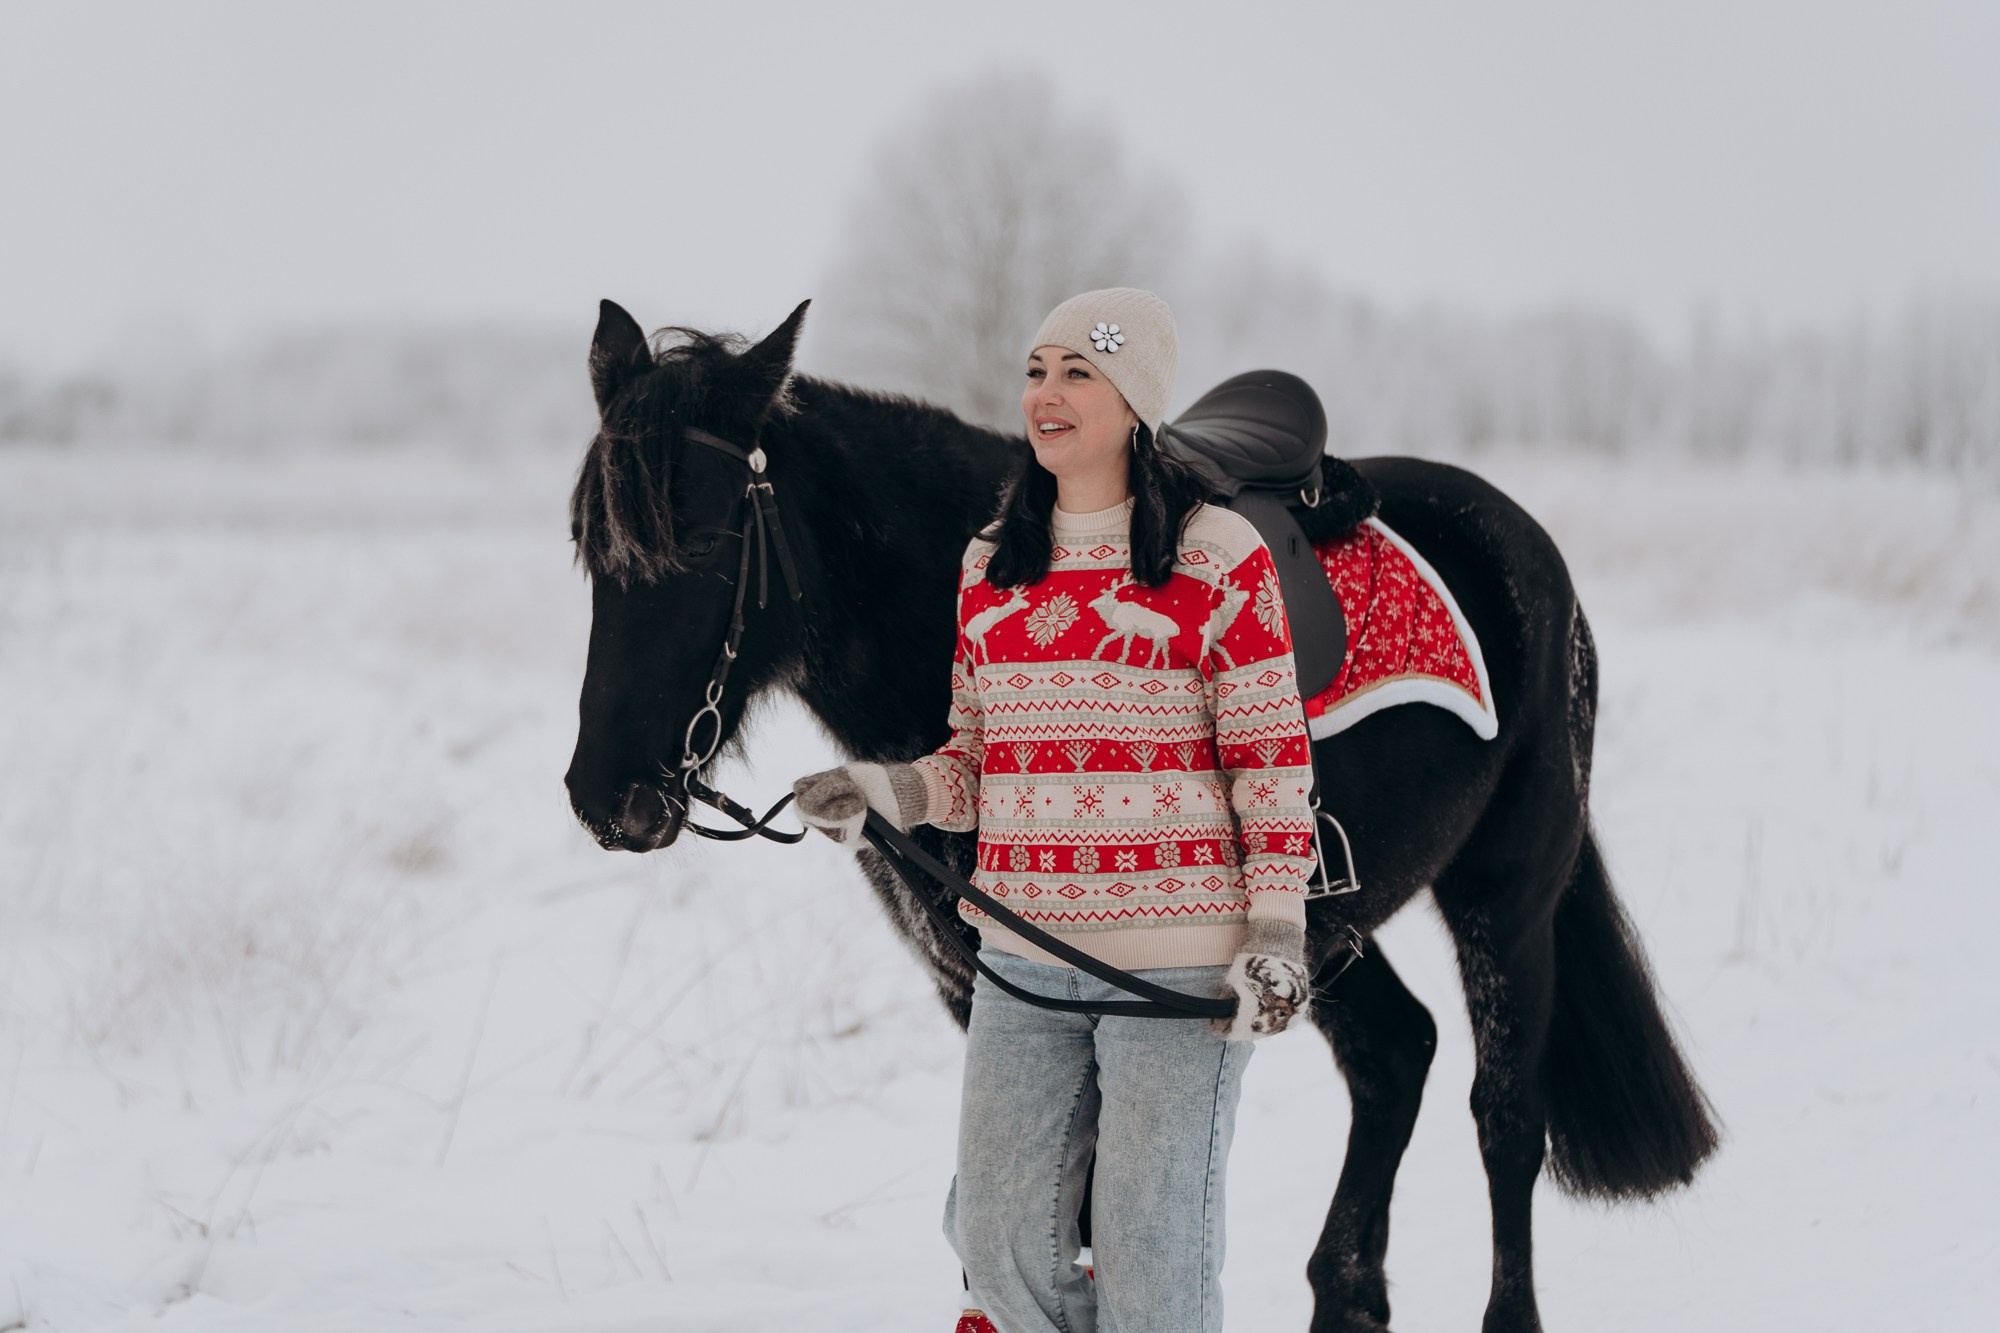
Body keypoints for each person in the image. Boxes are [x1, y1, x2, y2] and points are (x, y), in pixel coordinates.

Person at [792, 288, 1316, 1333]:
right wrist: (882, 790)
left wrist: (1273, 932)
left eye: (1079, 372)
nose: (1046, 394)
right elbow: (974, 763)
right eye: (1036, 371)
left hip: (1174, 970)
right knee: (993, 1240)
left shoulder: (1217, 555)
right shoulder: (993, 564)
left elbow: (1269, 761)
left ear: (1135, 399)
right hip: (1022, 959)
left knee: (1151, 1265)